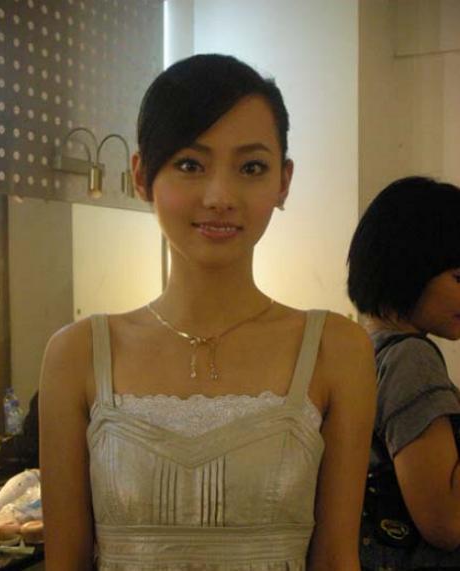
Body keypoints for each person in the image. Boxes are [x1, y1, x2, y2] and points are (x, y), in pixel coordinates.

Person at [40, 53, 376, 571]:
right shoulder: (76, 354)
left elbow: (335, 558)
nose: (220, 196)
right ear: (141, 175)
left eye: (251, 167)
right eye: (190, 165)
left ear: (283, 181)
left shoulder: (336, 349)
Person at [347, 176, 460, 570]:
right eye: (459, 278)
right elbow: (447, 523)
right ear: (408, 268)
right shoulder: (411, 358)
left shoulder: (360, 349)